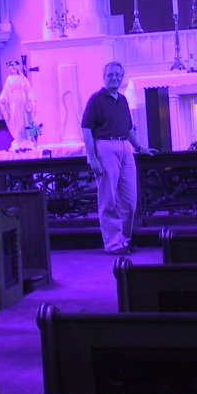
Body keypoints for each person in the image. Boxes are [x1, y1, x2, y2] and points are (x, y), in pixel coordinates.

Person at [81, 61, 157, 255]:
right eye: (110, 75)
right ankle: (113, 244)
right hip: (105, 147)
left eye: (117, 75)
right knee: (108, 199)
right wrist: (93, 159)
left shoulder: (122, 100)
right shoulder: (95, 99)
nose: (114, 77)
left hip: (125, 148)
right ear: (104, 76)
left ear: (122, 78)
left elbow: (129, 128)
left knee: (130, 201)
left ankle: (124, 239)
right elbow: (86, 129)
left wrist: (140, 147)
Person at [0, 61, 36, 151]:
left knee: (24, 119)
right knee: (15, 119)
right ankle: (18, 138)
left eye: (15, 66)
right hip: (14, 102)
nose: (13, 68)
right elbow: (5, 91)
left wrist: (31, 99)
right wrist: (1, 100)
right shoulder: (9, 79)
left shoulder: (23, 79)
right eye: (11, 67)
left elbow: (29, 90)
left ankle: (26, 139)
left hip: (23, 101)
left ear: (18, 67)